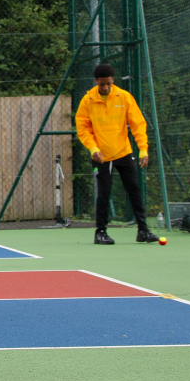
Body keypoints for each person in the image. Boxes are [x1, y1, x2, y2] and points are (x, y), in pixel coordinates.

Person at [75, 63, 159, 245]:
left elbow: (138, 124)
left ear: (113, 81)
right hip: (101, 156)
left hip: (124, 152)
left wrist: (143, 149)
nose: (106, 87)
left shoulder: (125, 97)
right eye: (102, 84)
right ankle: (101, 232)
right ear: (96, 81)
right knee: (104, 193)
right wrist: (93, 149)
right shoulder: (87, 101)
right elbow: (83, 129)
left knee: (134, 190)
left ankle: (143, 230)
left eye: (109, 84)